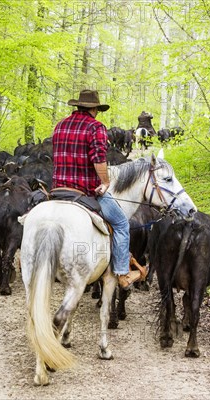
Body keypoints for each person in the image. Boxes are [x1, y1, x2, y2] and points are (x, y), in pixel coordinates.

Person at [51, 90, 141, 289]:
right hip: (84, 191)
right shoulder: (96, 127)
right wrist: (105, 182)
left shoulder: (60, 126)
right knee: (120, 224)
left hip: (57, 190)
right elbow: (99, 159)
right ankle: (121, 272)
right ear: (94, 109)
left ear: (77, 106)